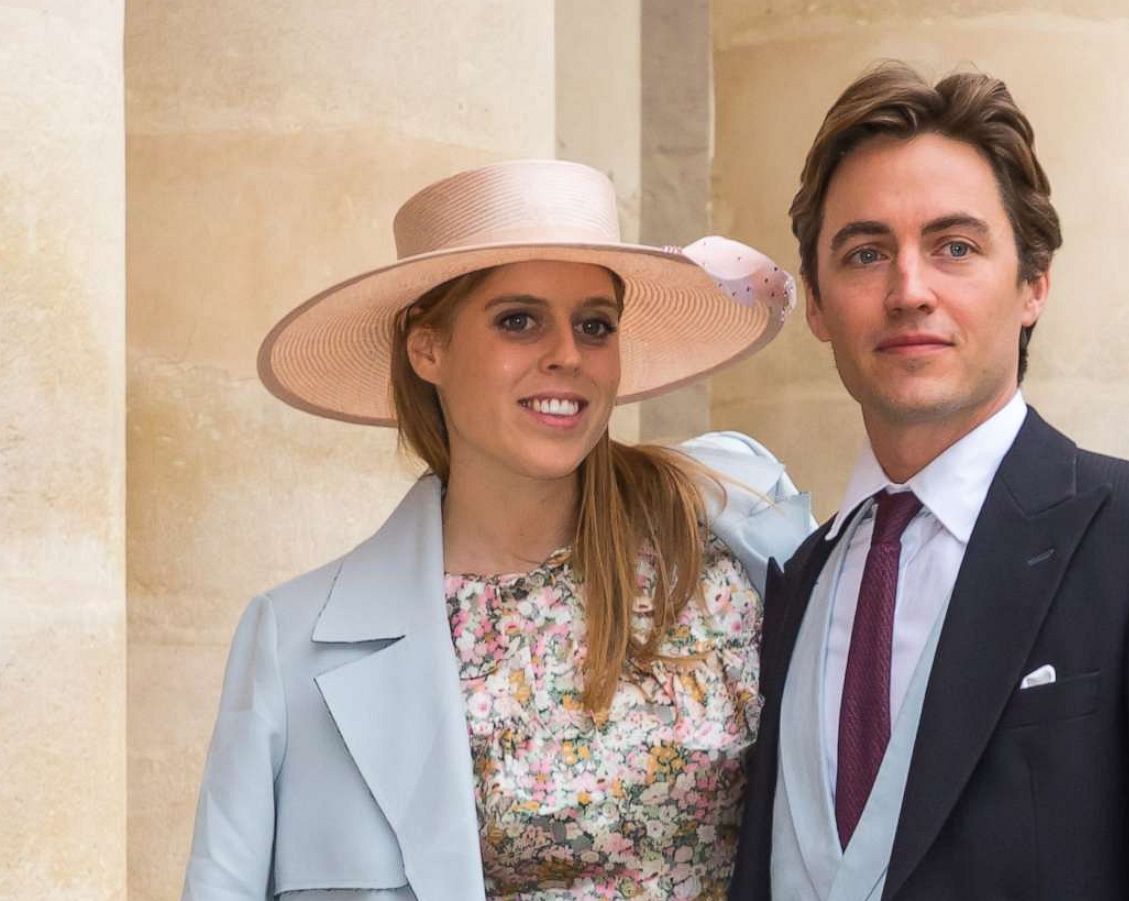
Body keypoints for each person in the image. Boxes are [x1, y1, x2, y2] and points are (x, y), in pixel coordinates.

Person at [731, 63, 1129, 900]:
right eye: (865, 253)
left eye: (954, 247)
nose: (909, 290)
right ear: (817, 303)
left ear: (1034, 284)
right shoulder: (793, 582)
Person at [183, 159, 812, 900]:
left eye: (595, 325)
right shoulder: (289, 642)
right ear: (429, 349)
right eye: (519, 319)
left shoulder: (724, 534)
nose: (567, 354)